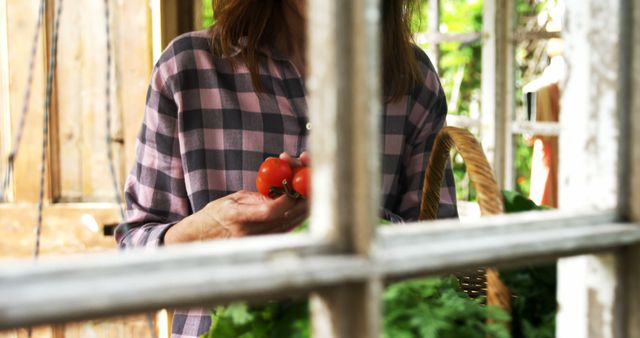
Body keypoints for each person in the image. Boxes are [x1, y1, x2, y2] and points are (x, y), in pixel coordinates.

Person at [115, 0, 457, 336]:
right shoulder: (187, 69)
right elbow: (132, 255)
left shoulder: (412, 80)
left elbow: (443, 260)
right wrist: (204, 233)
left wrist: (353, 223)